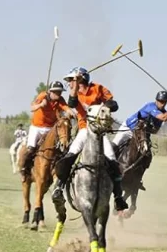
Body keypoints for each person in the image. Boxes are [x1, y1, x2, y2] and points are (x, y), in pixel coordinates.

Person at [51, 66, 128, 212]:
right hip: (84, 130)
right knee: (70, 155)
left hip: (99, 131)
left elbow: (114, 104)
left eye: (71, 81)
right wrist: (75, 85)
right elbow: (72, 103)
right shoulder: (76, 94)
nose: (69, 84)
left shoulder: (98, 88)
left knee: (112, 158)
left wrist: (103, 106)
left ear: (81, 79)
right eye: (69, 81)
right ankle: (59, 188)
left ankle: (118, 197)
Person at [112, 90, 167, 190]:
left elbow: (155, 130)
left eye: (165, 102)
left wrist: (146, 130)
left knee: (147, 154)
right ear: (156, 100)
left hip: (141, 134)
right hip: (128, 128)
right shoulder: (150, 107)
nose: (162, 104)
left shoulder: (162, 112)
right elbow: (164, 118)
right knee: (114, 146)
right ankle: (107, 171)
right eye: (161, 101)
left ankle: (138, 178)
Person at [19, 81, 73, 179]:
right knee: (31, 148)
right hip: (37, 127)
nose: (59, 94)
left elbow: (66, 108)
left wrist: (72, 113)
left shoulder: (60, 100)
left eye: (60, 92)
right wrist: (40, 105)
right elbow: (32, 108)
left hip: (50, 128)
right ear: (50, 92)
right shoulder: (42, 96)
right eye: (56, 92)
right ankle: (24, 169)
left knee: (59, 150)